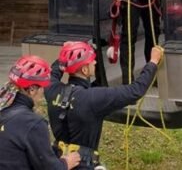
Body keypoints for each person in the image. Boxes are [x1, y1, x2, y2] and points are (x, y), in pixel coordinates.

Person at [45, 42, 163, 170]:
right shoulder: (94, 98)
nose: (95, 63)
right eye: (92, 61)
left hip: (58, 161)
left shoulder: (51, 90)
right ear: (85, 70)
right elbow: (135, 91)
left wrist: (66, 53)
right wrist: (153, 62)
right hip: (83, 164)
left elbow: (53, 72)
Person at [0, 56, 80, 169]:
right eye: (43, 87)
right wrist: (66, 162)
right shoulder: (33, 123)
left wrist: (53, 151)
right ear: (32, 89)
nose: (43, 91)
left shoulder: (4, 107)